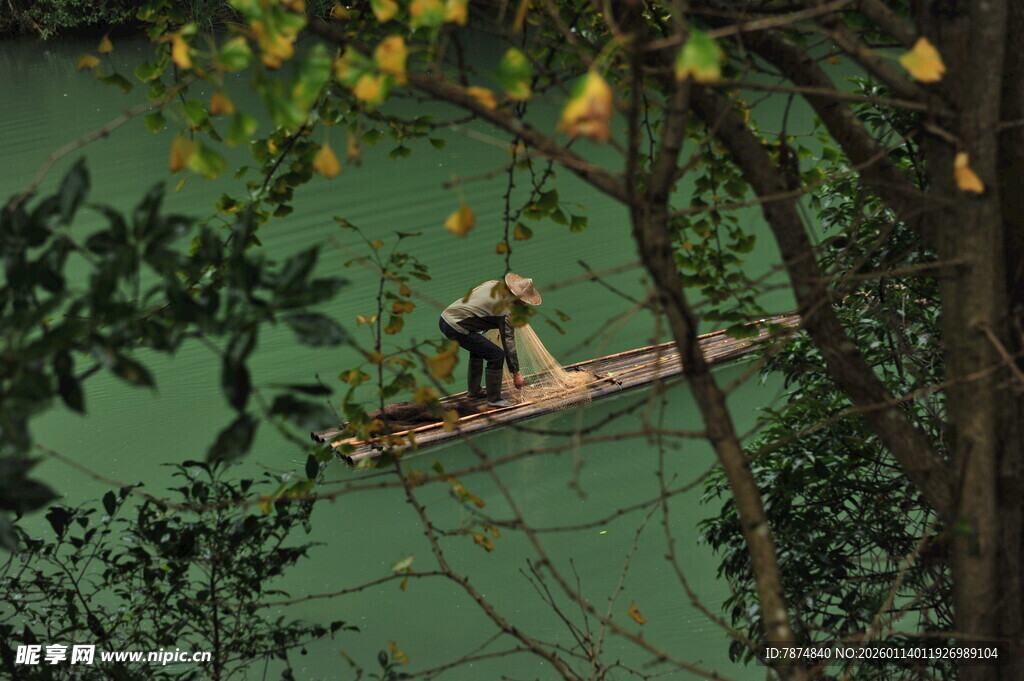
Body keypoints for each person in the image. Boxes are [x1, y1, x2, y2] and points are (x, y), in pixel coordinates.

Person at [438, 273, 542, 408]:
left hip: (445, 317)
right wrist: (516, 373)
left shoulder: (493, 285)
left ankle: (474, 392)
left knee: (478, 350)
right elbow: (508, 342)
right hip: (455, 326)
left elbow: (478, 305)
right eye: (523, 301)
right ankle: (494, 400)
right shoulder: (507, 310)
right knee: (496, 355)